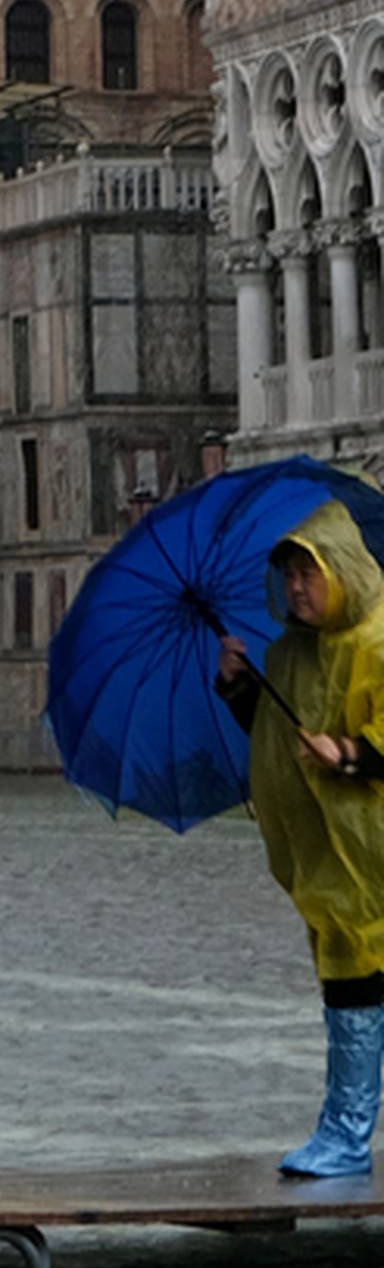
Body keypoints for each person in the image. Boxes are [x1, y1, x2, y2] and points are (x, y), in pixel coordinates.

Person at [219, 500, 384, 1176]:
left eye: (307, 574)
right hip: (328, 868)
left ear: (340, 570)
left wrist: (349, 753)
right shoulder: (287, 654)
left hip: (373, 854)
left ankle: (346, 1134)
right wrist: (238, 687)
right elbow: (277, 736)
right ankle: (345, 1133)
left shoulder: (377, 644)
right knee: (349, 996)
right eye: (287, 576)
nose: (296, 588)